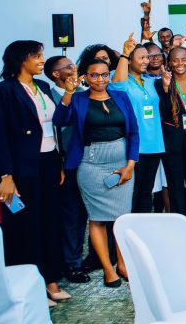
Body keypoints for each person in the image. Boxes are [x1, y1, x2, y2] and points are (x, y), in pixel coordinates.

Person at [0, 41, 72, 303]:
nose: (42, 61)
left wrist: (59, 163)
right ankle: (31, 287)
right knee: (25, 226)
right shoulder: (4, 91)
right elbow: (0, 135)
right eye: (37, 56)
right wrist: (5, 175)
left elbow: (55, 124)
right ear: (21, 59)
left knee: (50, 221)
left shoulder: (42, 87)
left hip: (49, 162)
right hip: (21, 168)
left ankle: (51, 279)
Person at [53, 58, 138, 288]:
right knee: (98, 218)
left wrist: (130, 165)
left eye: (104, 74)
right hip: (90, 165)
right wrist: (69, 92)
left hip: (121, 162)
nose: (100, 79)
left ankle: (122, 264)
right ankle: (108, 269)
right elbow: (59, 120)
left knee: (122, 217)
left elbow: (133, 132)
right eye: (94, 75)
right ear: (85, 77)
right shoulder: (78, 99)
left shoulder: (121, 96)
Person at [43, 55, 90, 284]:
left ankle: (76, 258)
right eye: (68, 66)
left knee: (82, 214)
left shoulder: (84, 93)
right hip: (63, 164)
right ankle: (70, 264)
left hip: (87, 161)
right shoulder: (48, 97)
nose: (74, 68)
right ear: (56, 74)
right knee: (69, 214)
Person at [154, 46, 186, 248]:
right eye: (175, 60)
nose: (180, 64)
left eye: (183, 59)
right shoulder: (160, 84)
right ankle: (181, 231)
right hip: (172, 143)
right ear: (169, 62)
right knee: (176, 188)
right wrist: (166, 89)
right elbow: (164, 111)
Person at [109, 34, 165, 216]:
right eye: (141, 58)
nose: (146, 61)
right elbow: (117, 86)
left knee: (146, 191)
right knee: (132, 191)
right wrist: (124, 54)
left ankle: (143, 226)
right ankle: (127, 228)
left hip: (154, 143)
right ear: (130, 60)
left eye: (147, 57)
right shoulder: (122, 80)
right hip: (135, 145)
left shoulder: (151, 81)